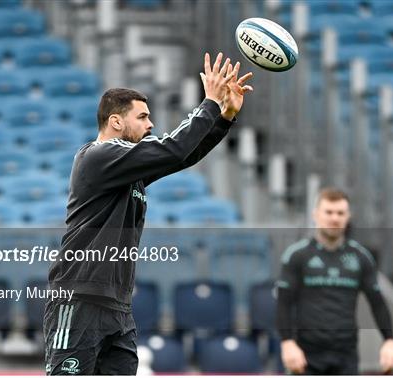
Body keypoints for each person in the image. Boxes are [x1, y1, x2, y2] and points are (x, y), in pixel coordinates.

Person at [43, 52, 253, 375]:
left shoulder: (128, 168)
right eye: (142, 117)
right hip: (80, 300)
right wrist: (209, 103)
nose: (151, 124)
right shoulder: (99, 157)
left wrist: (224, 118)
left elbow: (181, 157)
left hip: (117, 308)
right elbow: (173, 147)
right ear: (115, 121)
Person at [276, 188, 393, 375]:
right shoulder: (297, 256)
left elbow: (378, 304)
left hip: (346, 355)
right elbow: (283, 303)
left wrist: (390, 341)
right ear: (315, 215)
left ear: (348, 216)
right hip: (305, 355)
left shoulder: (361, 257)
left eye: (340, 213)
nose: (334, 218)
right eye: (329, 212)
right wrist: (287, 343)